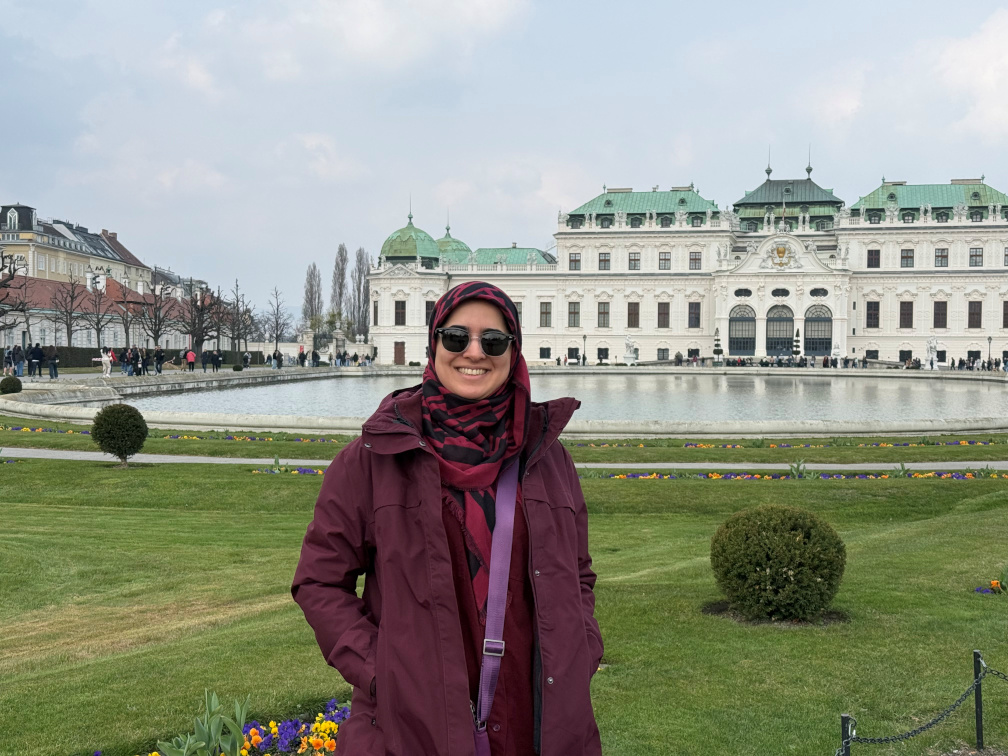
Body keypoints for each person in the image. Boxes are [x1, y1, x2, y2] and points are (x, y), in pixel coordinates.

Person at [292, 281, 603, 756]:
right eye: (456, 337)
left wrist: (583, 646)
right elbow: (319, 582)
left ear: (513, 351)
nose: (474, 353)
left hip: (536, 721)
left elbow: (577, 574)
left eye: (493, 341)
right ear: (434, 344)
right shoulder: (373, 459)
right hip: (413, 726)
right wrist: (382, 672)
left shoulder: (547, 458)